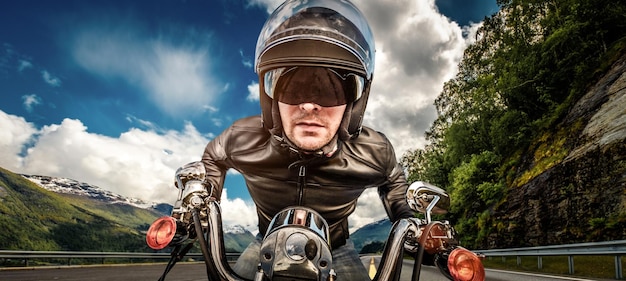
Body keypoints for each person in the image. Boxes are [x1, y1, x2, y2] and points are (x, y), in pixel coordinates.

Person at [201, 0, 415, 279]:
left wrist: (408, 219)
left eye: (330, 90)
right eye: (294, 86)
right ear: (271, 99)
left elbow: (394, 180)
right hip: (265, 241)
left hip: (337, 247)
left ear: (353, 104)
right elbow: (213, 156)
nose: (309, 106)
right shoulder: (241, 138)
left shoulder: (376, 151)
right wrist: (204, 200)